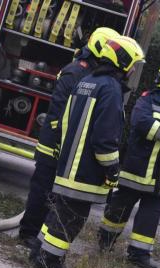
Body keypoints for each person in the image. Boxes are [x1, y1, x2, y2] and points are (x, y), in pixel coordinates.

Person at [30, 36, 146, 268]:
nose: (134, 69)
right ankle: (50, 260)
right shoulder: (111, 90)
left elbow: (63, 122)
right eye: (133, 63)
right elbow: (105, 138)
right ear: (122, 61)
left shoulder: (87, 81)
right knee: (72, 218)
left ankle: (38, 250)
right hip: (85, 171)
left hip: (66, 165)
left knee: (58, 211)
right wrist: (113, 169)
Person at [18, 27, 120, 246]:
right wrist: (60, 143)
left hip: (66, 146)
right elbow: (59, 111)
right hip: (53, 144)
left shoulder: (91, 73)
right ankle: (27, 234)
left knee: (55, 196)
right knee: (42, 191)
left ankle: (40, 237)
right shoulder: (75, 71)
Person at [97, 63, 160, 268]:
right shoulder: (148, 99)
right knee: (119, 208)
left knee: (150, 217)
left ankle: (139, 253)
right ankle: (105, 240)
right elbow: (140, 122)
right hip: (137, 170)